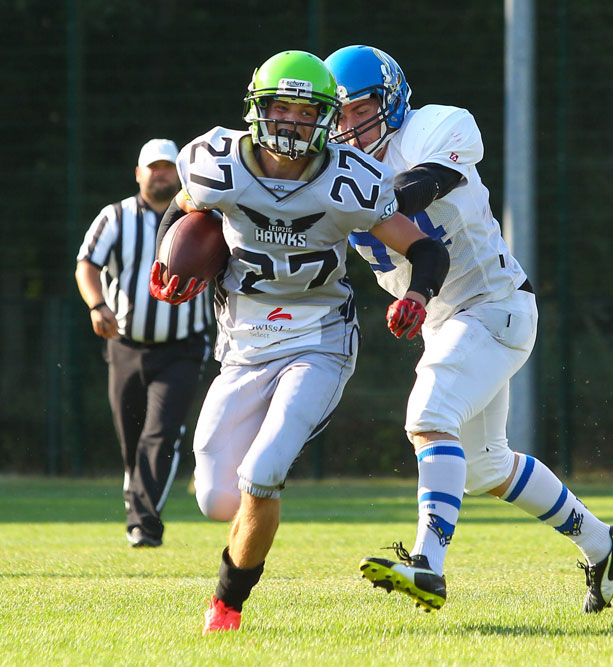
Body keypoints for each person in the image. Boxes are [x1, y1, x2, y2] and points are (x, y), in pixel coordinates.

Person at [325, 45, 613, 614]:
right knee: (486, 465)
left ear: (390, 101)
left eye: (357, 109)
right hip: (443, 319)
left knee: (428, 418)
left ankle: (427, 564)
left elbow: (422, 185)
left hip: (491, 305)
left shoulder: (433, 127)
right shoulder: (329, 166)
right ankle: (603, 543)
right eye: (335, 114)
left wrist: (351, 199)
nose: (345, 126)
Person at [149, 51, 450, 634]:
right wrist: (170, 261)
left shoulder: (350, 178)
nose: (290, 122)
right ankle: (249, 537)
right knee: (216, 498)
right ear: (256, 111)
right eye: (278, 109)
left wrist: (417, 294)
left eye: (304, 111)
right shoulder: (216, 163)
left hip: (319, 339)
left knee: (263, 471)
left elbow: (425, 249)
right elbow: (183, 215)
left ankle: (226, 607)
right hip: (243, 344)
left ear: (326, 118)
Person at [75, 138, 212, 549]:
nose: (161, 174)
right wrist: (97, 305)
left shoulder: (203, 216)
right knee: (131, 438)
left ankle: (145, 524)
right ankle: (137, 502)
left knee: (162, 432)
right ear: (138, 174)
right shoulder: (114, 216)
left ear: (180, 172)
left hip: (184, 345)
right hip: (125, 344)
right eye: (153, 168)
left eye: (168, 167)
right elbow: (87, 263)